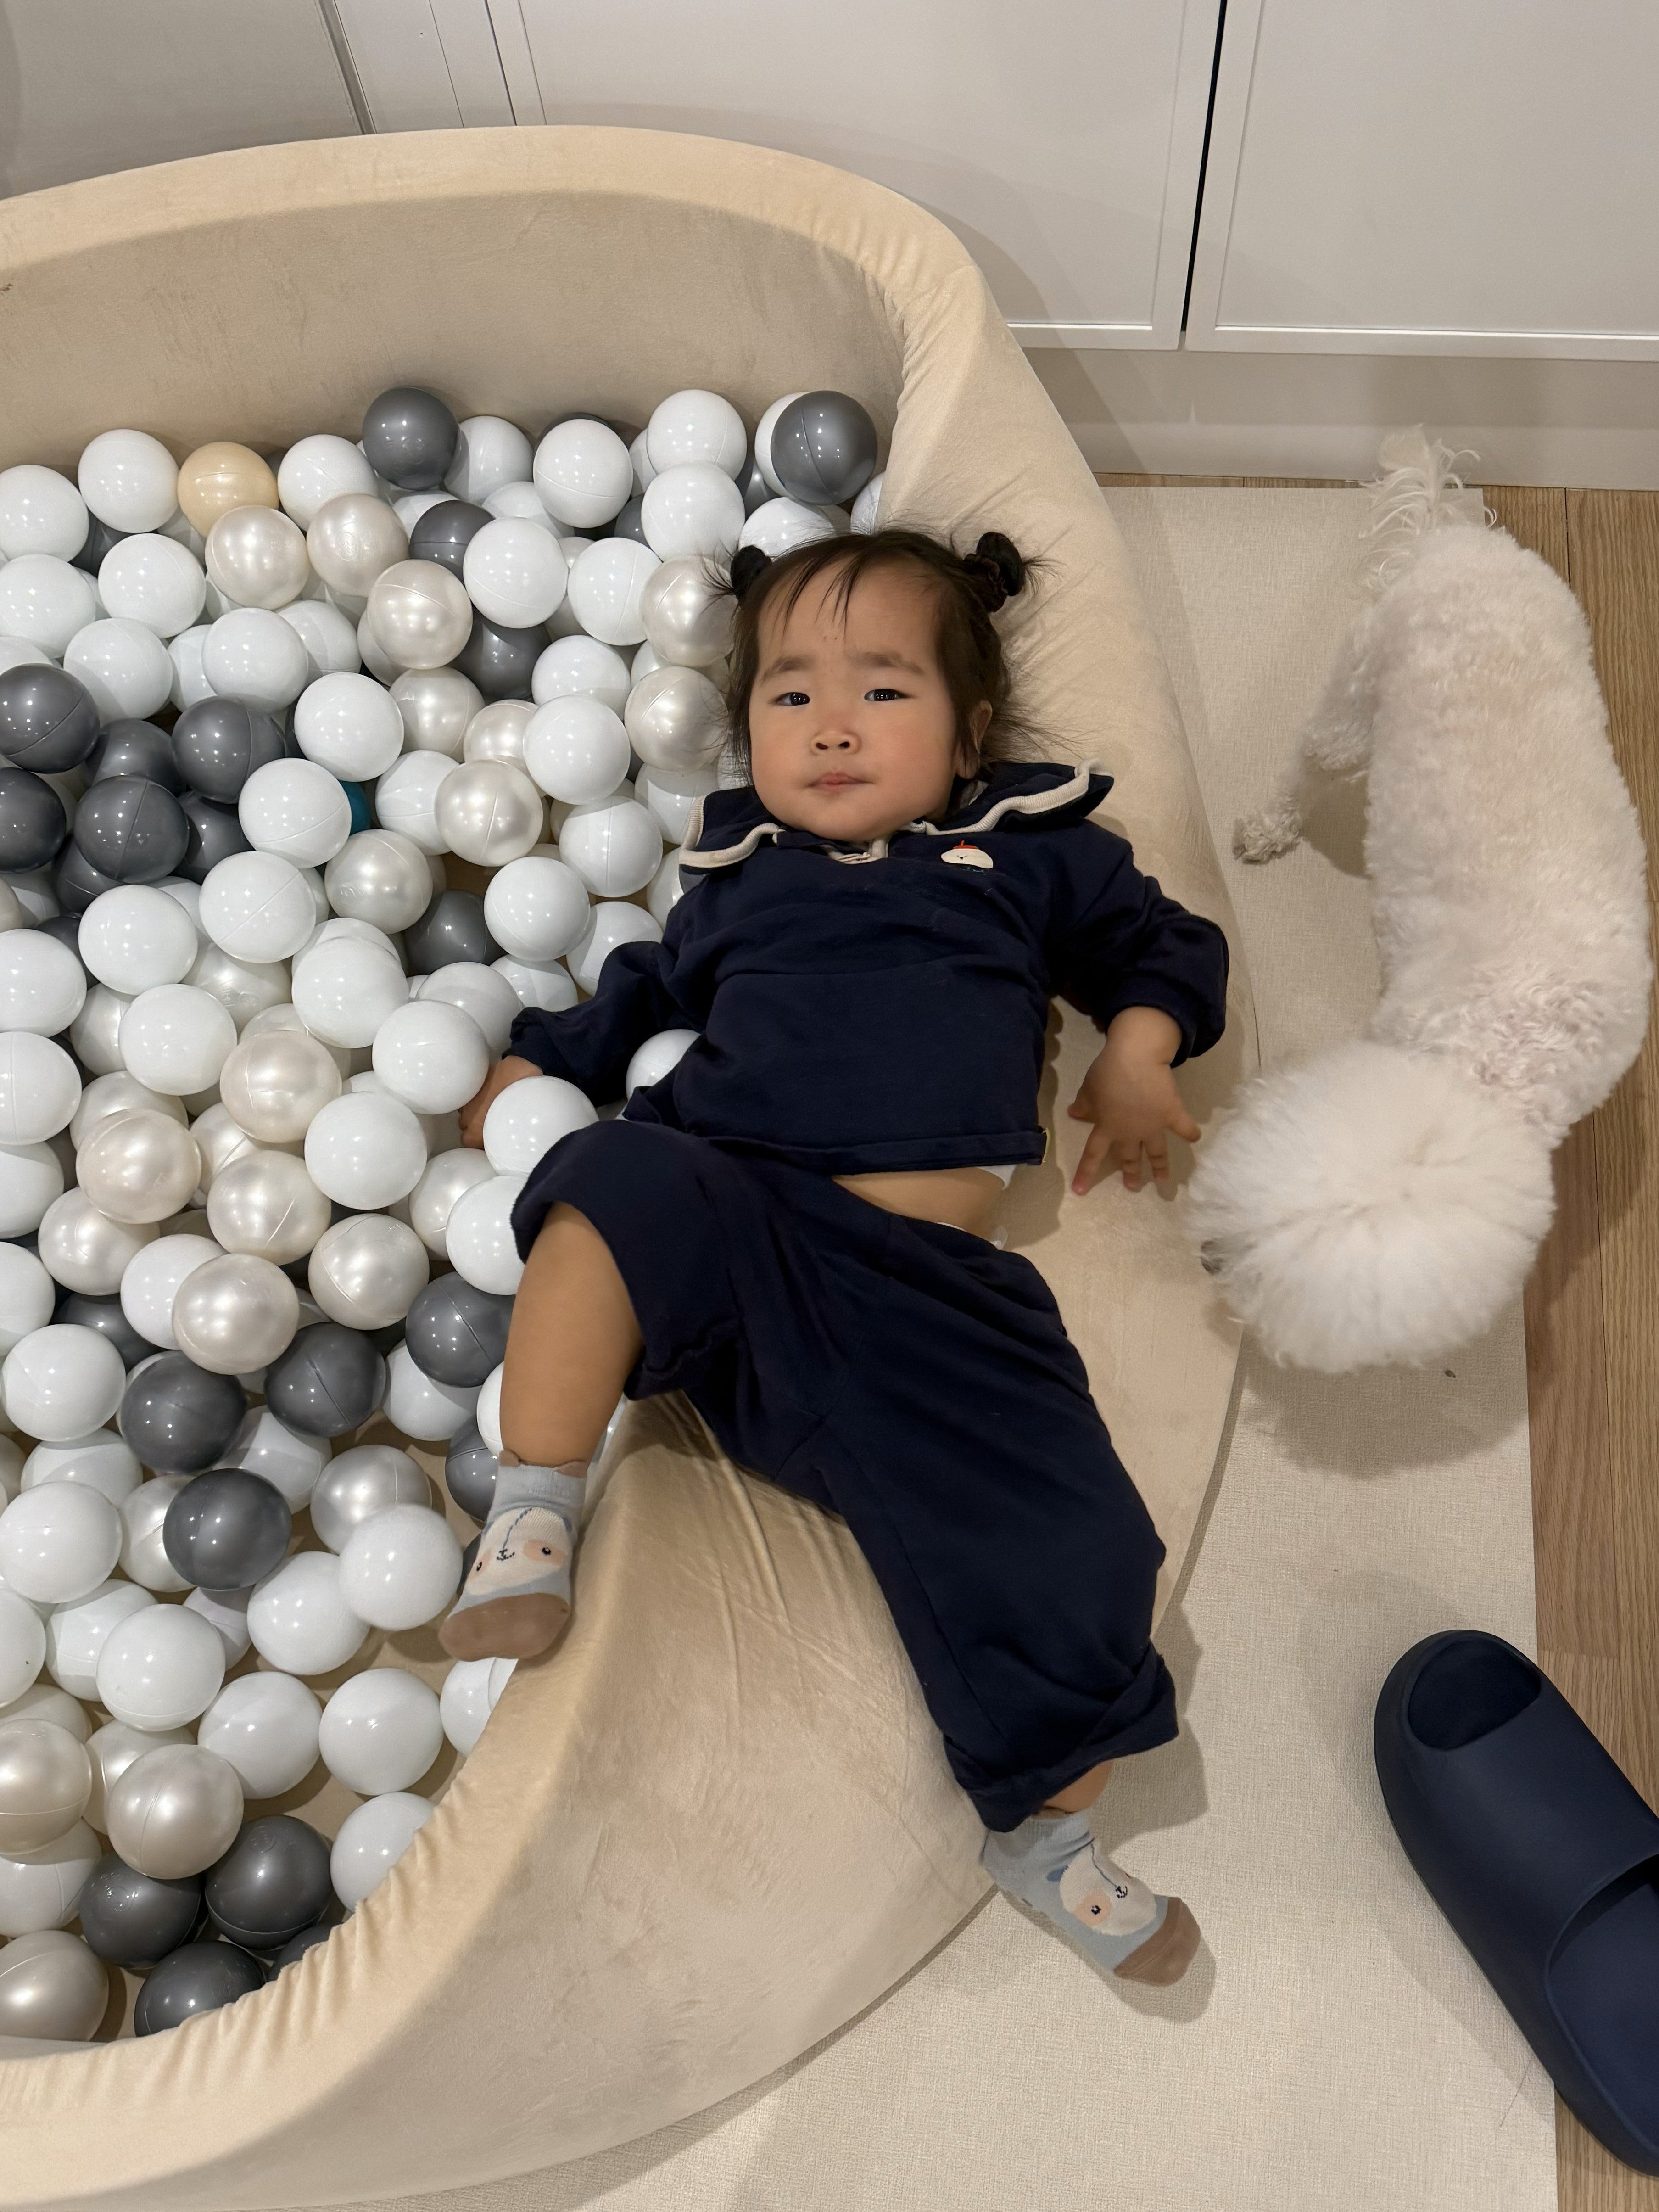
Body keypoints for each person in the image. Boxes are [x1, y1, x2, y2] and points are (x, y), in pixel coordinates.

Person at [442, 525, 1229, 1988]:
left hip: (939, 1298)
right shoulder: (742, 876)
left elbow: (1166, 944)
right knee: (605, 1181)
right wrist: (533, 1061)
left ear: (973, 732)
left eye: (882, 690)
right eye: (790, 695)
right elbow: (635, 996)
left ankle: (1045, 1835)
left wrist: (1136, 1046)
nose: (832, 724)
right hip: (743, 1226)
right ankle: (535, 1501)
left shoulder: (1030, 851)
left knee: (1086, 1547)